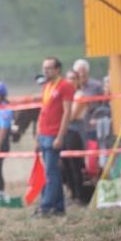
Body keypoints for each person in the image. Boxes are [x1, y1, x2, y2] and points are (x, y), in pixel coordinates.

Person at [35, 57, 75, 217]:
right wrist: (38, 134)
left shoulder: (65, 86)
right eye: (44, 68)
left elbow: (67, 112)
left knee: (51, 173)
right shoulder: (47, 86)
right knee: (53, 172)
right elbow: (43, 110)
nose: (45, 71)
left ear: (58, 69)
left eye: (49, 68)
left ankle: (46, 206)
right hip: (44, 133)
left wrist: (60, 136)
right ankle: (59, 207)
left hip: (54, 134)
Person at [62, 70, 85, 204]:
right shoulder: (65, 95)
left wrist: (60, 118)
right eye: (69, 78)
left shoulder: (79, 95)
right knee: (65, 165)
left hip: (74, 131)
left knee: (74, 165)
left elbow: (72, 116)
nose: (71, 81)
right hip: (64, 131)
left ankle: (79, 195)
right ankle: (71, 194)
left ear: (78, 81)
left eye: (74, 78)